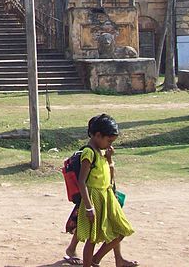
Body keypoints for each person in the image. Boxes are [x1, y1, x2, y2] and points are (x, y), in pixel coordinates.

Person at [76, 114, 138, 267]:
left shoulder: (102, 153)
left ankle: (96, 259)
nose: (109, 144)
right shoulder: (89, 153)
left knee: (121, 230)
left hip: (107, 196)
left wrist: (110, 160)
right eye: (108, 140)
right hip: (94, 199)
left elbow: (110, 179)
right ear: (97, 135)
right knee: (92, 238)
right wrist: (89, 207)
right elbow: (81, 182)